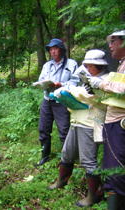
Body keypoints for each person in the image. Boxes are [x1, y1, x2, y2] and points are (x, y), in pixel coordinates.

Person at [48, 49, 108, 207]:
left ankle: (93, 195)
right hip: (76, 121)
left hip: (90, 123)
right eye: (86, 66)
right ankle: (62, 181)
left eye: (90, 66)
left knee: (88, 160)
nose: (87, 69)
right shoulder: (89, 78)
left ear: (98, 65)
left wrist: (71, 92)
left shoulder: (104, 80)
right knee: (67, 153)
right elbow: (81, 92)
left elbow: (91, 98)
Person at [88, 30, 125, 210]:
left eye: (114, 41)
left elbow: (123, 89)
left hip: (120, 123)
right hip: (113, 121)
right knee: (112, 168)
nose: (110, 45)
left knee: (116, 171)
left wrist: (101, 84)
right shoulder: (121, 64)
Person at [36, 38, 78, 166]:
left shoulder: (71, 64)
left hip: (62, 101)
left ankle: (66, 159)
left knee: (64, 130)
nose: (53, 52)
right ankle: (45, 155)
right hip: (47, 99)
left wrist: (62, 85)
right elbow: (41, 79)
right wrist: (44, 84)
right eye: (50, 49)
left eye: (55, 48)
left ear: (61, 50)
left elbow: (76, 82)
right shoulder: (47, 65)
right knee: (43, 129)